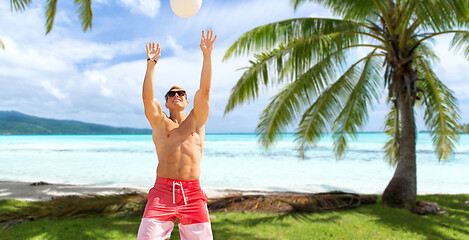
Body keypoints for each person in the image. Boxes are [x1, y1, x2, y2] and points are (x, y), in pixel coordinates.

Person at [136, 29, 217, 240]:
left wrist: (207, 56)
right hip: (162, 193)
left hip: (193, 194)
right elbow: (147, 99)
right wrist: (151, 65)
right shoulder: (160, 123)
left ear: (187, 101)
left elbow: (205, 91)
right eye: (171, 94)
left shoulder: (197, 120)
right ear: (166, 102)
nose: (176, 95)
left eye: (181, 93)